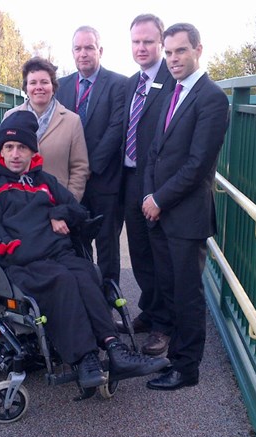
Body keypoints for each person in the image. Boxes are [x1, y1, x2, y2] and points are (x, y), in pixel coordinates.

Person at [0, 110, 169, 389]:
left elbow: (79, 210)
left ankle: (114, 348)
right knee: (63, 279)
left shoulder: (45, 181)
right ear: (1, 151)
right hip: (23, 261)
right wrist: (16, 248)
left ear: (33, 152)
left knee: (88, 272)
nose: (15, 154)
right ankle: (86, 359)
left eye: (22, 148)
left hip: (59, 255)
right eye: (9, 147)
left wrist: (59, 212)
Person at [142, 23, 229, 390]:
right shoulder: (170, 92)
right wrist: (149, 197)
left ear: (198, 49)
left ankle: (187, 368)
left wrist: (159, 199)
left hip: (186, 215)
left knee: (188, 294)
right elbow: (153, 151)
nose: (173, 59)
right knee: (170, 287)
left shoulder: (212, 98)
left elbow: (198, 165)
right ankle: (175, 356)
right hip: (161, 214)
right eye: (169, 52)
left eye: (180, 51)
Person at [117, 14, 176, 357]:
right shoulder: (131, 84)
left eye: (148, 42)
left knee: (160, 255)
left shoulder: (173, 82)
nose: (141, 48)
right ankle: (150, 310)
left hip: (156, 181)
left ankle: (164, 326)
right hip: (129, 179)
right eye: (136, 42)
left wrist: (161, 189)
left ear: (161, 43)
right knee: (139, 251)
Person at [56, 26, 127, 284]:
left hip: (104, 180)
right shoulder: (60, 86)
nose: (83, 53)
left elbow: (116, 130)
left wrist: (87, 168)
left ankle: (109, 301)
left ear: (100, 50)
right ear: (72, 52)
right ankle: (84, 298)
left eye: (89, 48)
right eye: (78, 48)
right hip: (69, 182)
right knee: (74, 243)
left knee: (107, 245)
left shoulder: (120, 84)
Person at [4, 57, 90, 201]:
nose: (39, 87)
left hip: (57, 204)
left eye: (44, 82)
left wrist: (69, 204)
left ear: (53, 86)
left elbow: (80, 168)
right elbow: (2, 159)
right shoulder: (10, 116)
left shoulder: (72, 121)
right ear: (26, 87)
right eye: (33, 82)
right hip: (18, 204)